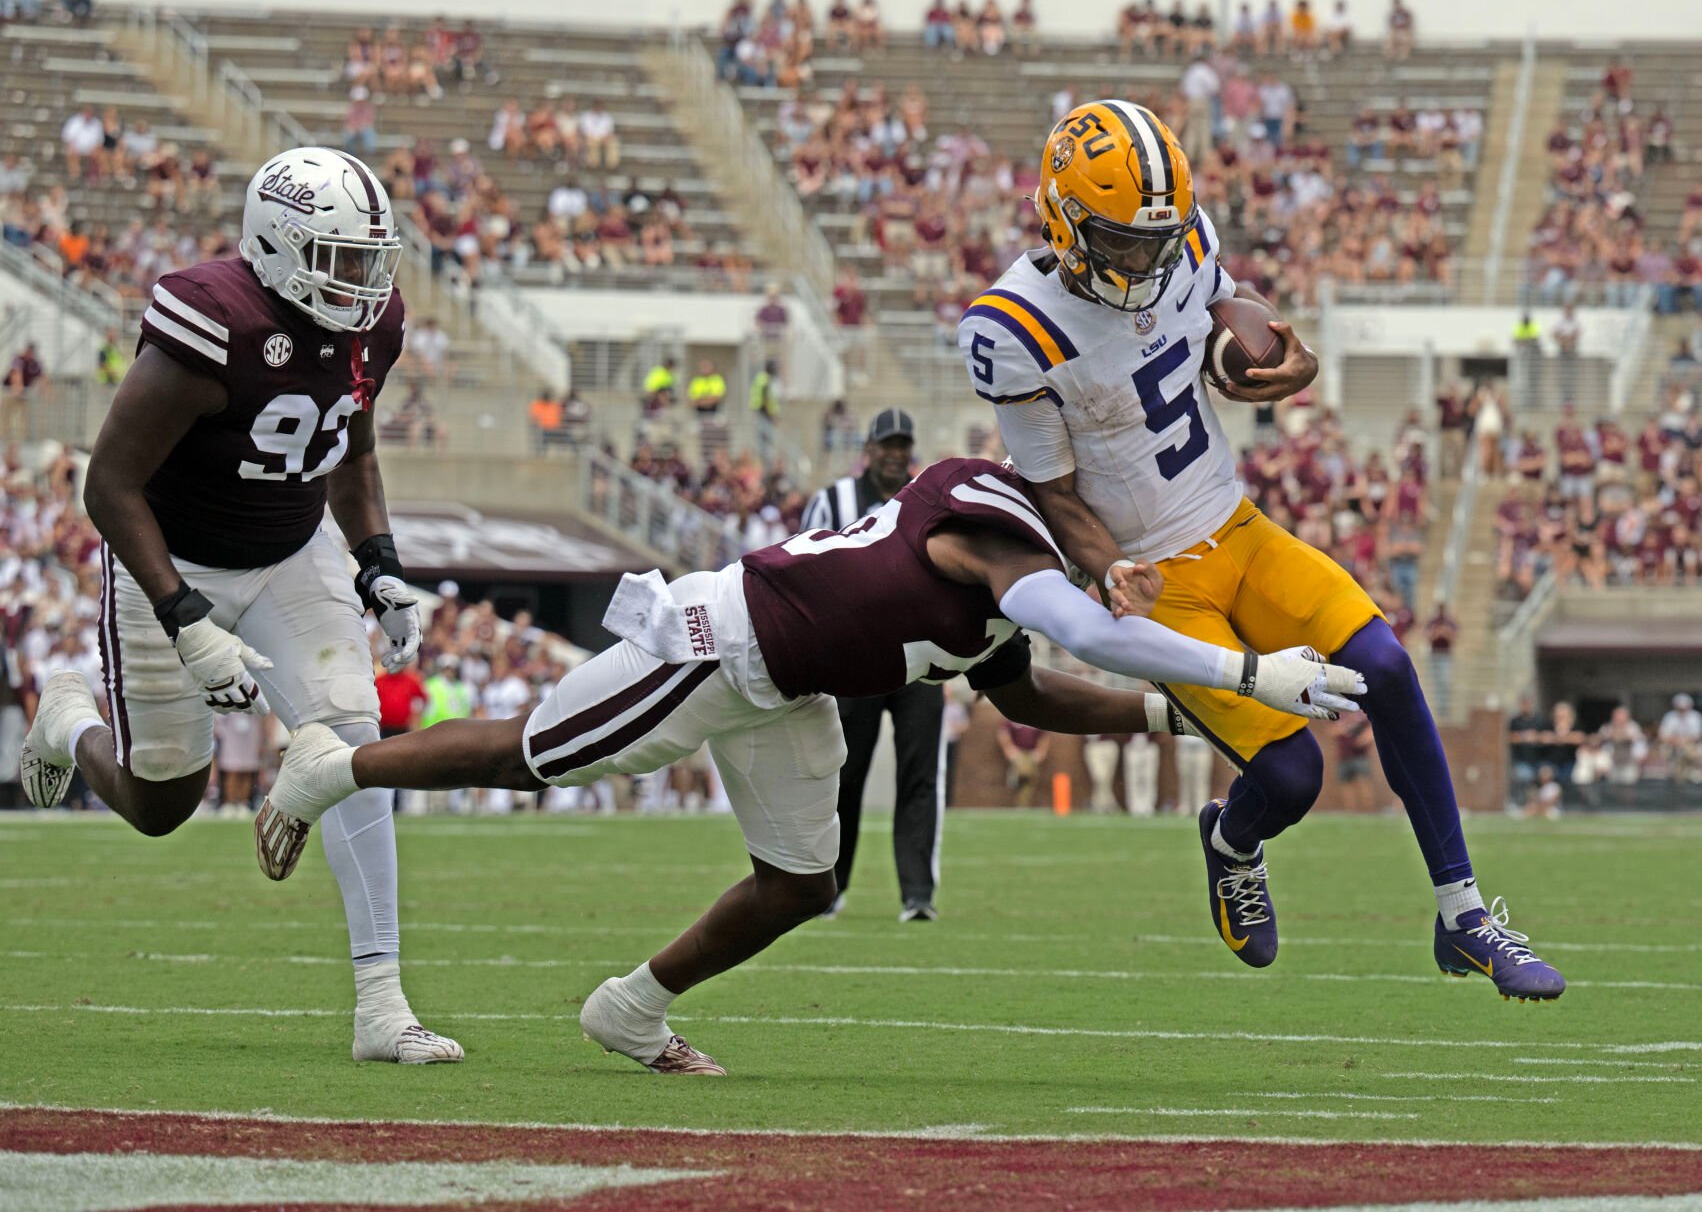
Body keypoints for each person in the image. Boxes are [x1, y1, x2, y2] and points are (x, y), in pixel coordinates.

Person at [259, 456, 1363, 1074]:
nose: (1132, 558)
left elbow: (1026, 688)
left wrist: (1171, 720)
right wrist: (1245, 674)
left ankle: (630, 1007)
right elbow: (1082, 630)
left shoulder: (1029, 567)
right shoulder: (991, 522)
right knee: (532, 754)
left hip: (783, 687)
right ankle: (335, 763)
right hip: (717, 645)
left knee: (801, 882)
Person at [956, 98, 1565, 1001]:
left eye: (1154, 241)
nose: (1144, 260)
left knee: (1389, 670)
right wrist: (1106, 563)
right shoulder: (1013, 327)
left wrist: (1285, 358)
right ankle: (1231, 841)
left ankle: (1463, 916)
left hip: (1238, 526)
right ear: (1062, 218)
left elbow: (1222, 326)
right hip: (1161, 582)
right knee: (1292, 776)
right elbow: (1051, 487)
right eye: (1120, 241)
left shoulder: (1181, 242)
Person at [18, 148, 461, 1065]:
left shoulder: (371, 324)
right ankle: (68, 720)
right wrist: (185, 618)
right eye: (341, 257)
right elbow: (109, 485)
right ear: (277, 245)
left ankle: (382, 1005)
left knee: (352, 744)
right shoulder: (212, 320)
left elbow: (355, 449)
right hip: (171, 560)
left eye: (370, 257)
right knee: (161, 802)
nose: (364, 280)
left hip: (295, 551)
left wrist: (379, 564)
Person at [798, 408, 943, 919]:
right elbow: (805, 573)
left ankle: (918, 895)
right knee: (843, 773)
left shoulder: (929, 500)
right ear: (869, 448)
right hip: (855, 662)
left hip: (923, 660)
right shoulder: (831, 501)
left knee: (921, 775)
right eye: (887, 445)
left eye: (903, 445)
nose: (895, 454)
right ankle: (829, 889)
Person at [998, 719, 1049, 807]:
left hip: (1031, 753)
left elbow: (1044, 736)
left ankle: (1022, 802)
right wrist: (1008, 749)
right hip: (1018, 752)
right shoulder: (1012, 717)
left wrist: (1041, 752)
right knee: (1023, 775)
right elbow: (1003, 733)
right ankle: (1014, 780)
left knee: (1029, 778)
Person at [1658, 693, 1702, 785]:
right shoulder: (1670, 716)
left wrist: (1684, 742)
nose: (1682, 710)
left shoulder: (1695, 716)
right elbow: (1663, 736)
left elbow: (1696, 736)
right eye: (1680, 708)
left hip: (1691, 748)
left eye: (1684, 708)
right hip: (1673, 747)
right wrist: (1676, 741)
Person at [3, 341, 43, 441]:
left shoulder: (35, 363)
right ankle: (3, 435)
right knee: (6, 414)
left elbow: (42, 376)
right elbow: (16, 373)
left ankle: (21, 437)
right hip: (11, 393)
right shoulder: (18, 359)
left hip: (24, 395)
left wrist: (46, 392)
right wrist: (18, 387)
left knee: (23, 416)